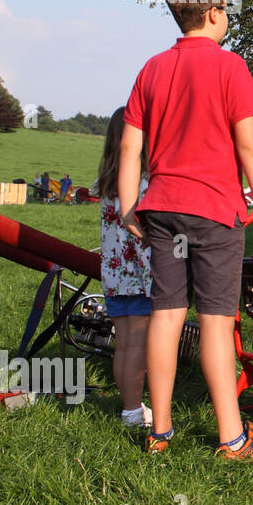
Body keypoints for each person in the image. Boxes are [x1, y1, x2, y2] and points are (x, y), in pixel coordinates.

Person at [118, 0, 253, 459]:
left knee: (166, 317)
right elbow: (250, 145)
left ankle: (160, 432)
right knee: (215, 322)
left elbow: (131, 145)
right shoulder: (230, 66)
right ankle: (232, 440)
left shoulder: (151, 67)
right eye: (227, 11)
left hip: (163, 209)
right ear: (214, 14)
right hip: (214, 211)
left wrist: (131, 204)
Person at [97, 107, 152, 427]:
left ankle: (129, 407)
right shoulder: (142, 184)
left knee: (123, 345)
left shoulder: (104, 184)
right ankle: (133, 412)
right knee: (138, 346)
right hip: (141, 277)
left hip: (114, 278)